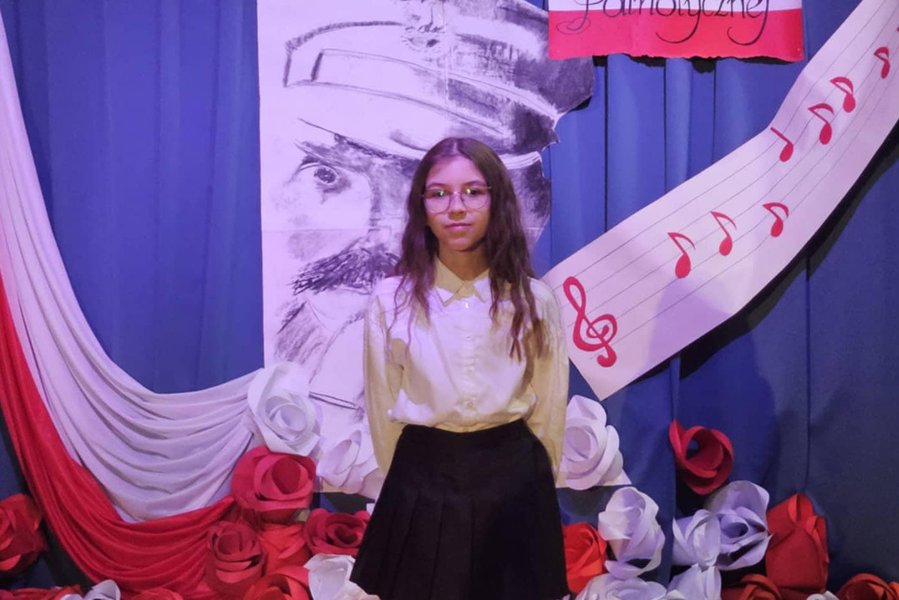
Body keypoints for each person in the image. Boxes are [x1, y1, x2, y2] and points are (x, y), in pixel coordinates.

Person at [349, 137, 569, 600]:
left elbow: (549, 410)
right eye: (439, 193)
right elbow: (383, 407)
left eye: (473, 191)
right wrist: (407, 481)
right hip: (423, 478)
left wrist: (535, 488)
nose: (456, 207)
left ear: (496, 200)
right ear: (422, 207)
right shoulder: (392, 301)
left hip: (513, 478)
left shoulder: (534, 300)